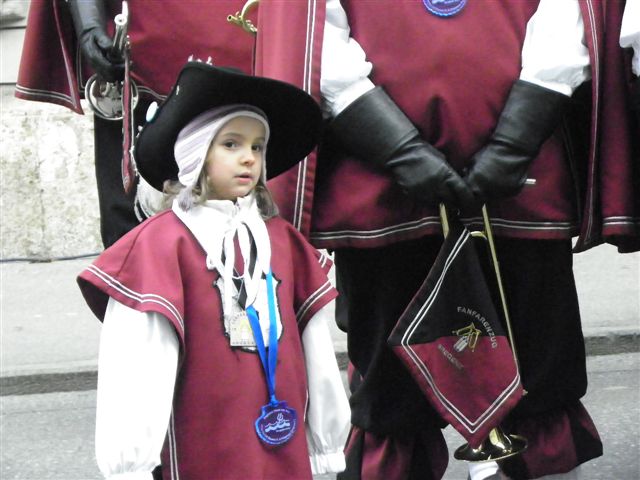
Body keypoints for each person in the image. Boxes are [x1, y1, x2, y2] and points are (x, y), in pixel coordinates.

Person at [254, 1, 639, 479]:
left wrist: (513, 145)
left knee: (538, 372)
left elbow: (566, 19)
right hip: (379, 187)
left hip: (522, 181)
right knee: (391, 393)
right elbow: (318, 40)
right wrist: (399, 150)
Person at [76, 61, 350, 480]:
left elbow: (314, 347)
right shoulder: (163, 245)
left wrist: (326, 438)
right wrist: (130, 461)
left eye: (257, 146)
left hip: (281, 430)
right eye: (231, 144)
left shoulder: (280, 240)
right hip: (204, 432)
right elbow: (139, 361)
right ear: (196, 154)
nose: (249, 157)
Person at [15, 0, 254, 247]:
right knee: (130, 230)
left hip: (236, 42)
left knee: (244, 217)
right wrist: (89, 25)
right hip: (134, 58)